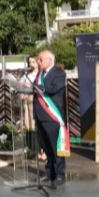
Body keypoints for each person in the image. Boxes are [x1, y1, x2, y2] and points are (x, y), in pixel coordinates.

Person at [28, 50, 67, 187]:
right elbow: (36, 90)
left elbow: (54, 88)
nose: (38, 62)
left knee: (54, 146)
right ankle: (50, 172)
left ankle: (60, 174)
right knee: (45, 146)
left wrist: (40, 87)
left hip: (51, 115)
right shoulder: (41, 74)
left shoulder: (59, 73)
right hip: (40, 115)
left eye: (40, 59)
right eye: (38, 59)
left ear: (49, 60)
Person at [20, 56, 46, 161]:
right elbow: (21, 86)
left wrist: (31, 87)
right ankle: (33, 149)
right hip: (28, 104)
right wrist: (22, 91)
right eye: (29, 62)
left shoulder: (41, 74)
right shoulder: (27, 75)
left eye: (33, 62)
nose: (31, 64)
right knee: (30, 126)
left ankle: (43, 152)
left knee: (40, 127)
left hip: (38, 103)